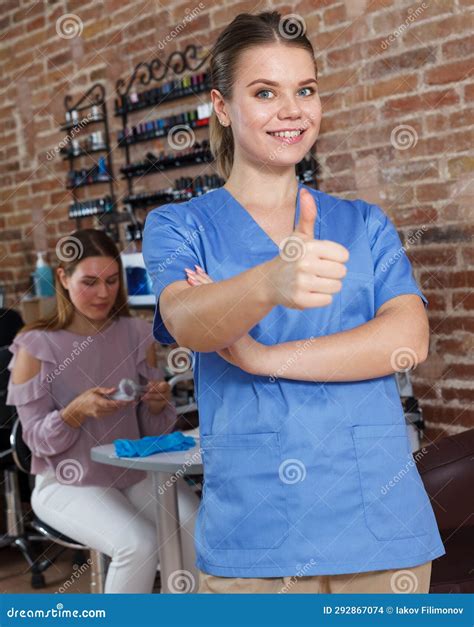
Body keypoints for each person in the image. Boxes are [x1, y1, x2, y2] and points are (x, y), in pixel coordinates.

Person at [142, 11, 445, 594]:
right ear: (222, 107)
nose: (292, 110)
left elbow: (406, 342)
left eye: (305, 90)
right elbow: (185, 320)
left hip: (380, 526)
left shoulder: (364, 223)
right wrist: (269, 283)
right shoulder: (180, 225)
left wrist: (260, 357)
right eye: (264, 92)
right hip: (257, 533)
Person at [6, 229, 200, 593]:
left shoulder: (137, 333)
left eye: (112, 281)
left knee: (193, 522)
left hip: (130, 470)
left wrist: (158, 405)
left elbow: (150, 432)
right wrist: (74, 412)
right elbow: (35, 442)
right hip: (65, 480)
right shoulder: (34, 345)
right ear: (63, 278)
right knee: (138, 545)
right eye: (90, 282)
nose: (103, 293)